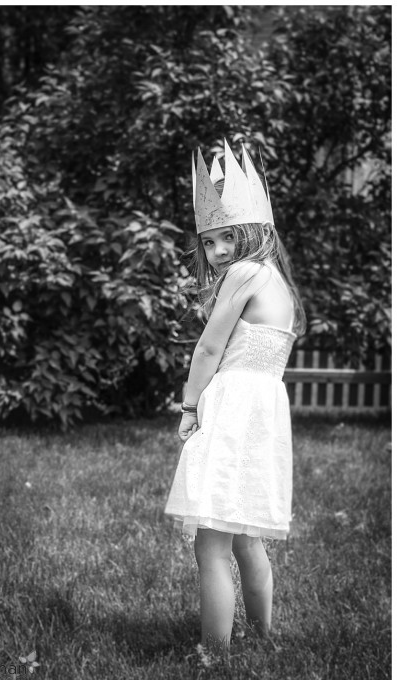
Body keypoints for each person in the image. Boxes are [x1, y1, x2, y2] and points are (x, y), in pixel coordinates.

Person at [164, 139, 306, 651]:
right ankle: (265, 638)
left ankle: (214, 655)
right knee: (247, 535)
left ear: (254, 234)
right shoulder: (279, 284)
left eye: (228, 238)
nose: (218, 251)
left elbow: (208, 349)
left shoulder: (244, 273)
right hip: (264, 409)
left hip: (231, 408)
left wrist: (188, 407)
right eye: (209, 242)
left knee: (211, 544)